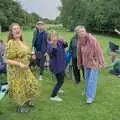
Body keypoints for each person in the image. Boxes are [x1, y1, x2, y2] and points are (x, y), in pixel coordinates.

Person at [5, 23, 39, 112]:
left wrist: (31, 56)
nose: (17, 30)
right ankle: (21, 107)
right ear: (12, 32)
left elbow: (24, 55)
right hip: (16, 71)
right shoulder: (11, 43)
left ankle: (27, 101)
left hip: (25, 69)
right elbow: (6, 59)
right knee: (20, 88)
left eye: (18, 28)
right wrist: (19, 64)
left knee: (30, 84)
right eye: (15, 29)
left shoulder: (22, 41)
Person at [77, 26, 104, 104]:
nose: (81, 33)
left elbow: (99, 51)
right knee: (87, 79)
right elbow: (78, 54)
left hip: (94, 63)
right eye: (80, 32)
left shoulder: (92, 40)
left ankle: (90, 97)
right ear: (78, 34)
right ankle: (86, 91)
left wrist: (101, 62)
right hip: (86, 63)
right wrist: (79, 63)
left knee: (92, 80)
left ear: (85, 31)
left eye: (83, 31)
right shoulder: (80, 41)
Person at [47, 30, 68, 102]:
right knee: (60, 81)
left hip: (61, 64)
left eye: (55, 35)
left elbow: (65, 45)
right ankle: (53, 96)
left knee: (60, 79)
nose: (55, 37)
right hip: (56, 66)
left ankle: (58, 89)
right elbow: (53, 54)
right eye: (53, 36)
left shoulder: (59, 42)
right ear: (49, 37)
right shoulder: (50, 45)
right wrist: (53, 45)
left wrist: (64, 41)